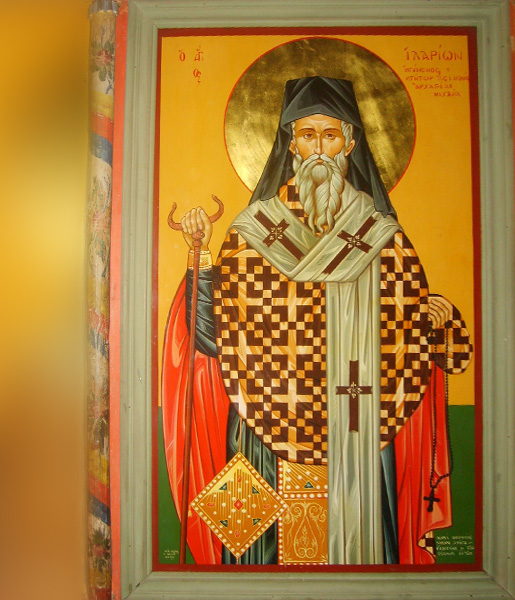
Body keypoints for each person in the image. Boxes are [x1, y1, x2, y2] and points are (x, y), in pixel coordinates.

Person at [162, 76, 471, 565]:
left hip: (360, 429)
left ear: (351, 143)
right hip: (266, 429)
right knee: (258, 570)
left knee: (367, 566)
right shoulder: (252, 234)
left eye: (331, 135)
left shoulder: (382, 236)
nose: (320, 149)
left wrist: (438, 320)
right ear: (291, 144)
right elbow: (214, 335)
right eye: (308, 135)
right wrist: (199, 259)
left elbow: (415, 342)